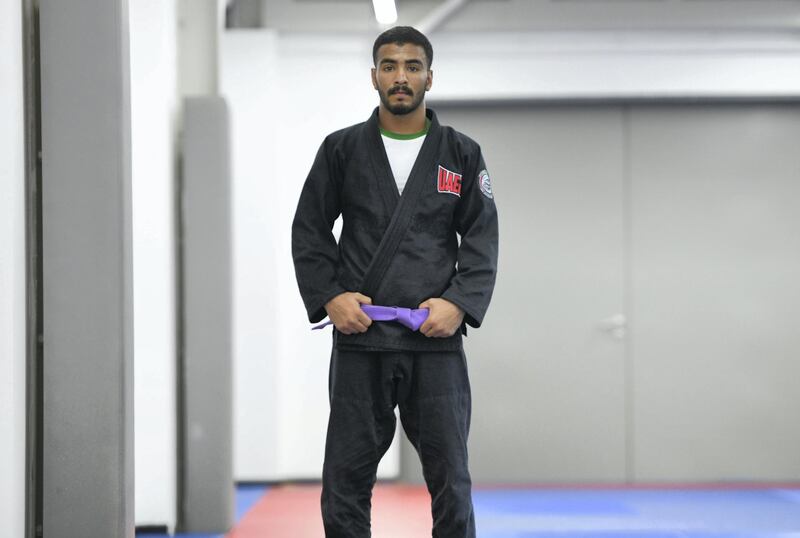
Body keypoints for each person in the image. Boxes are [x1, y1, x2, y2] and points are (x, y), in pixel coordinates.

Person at [291, 25, 498, 538]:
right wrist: (330, 296)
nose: (400, 77)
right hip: (363, 338)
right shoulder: (341, 149)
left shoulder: (461, 153)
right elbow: (310, 230)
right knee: (345, 479)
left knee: (452, 479)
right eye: (389, 66)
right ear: (373, 77)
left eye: (411, 67)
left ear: (430, 76)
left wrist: (459, 303)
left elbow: (481, 239)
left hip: (436, 342)